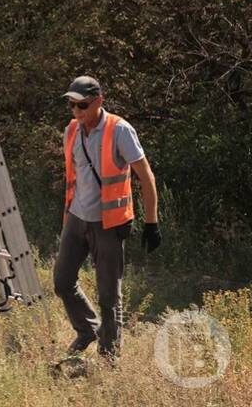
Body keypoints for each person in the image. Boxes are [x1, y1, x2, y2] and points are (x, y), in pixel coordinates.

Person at [53, 75, 161, 361]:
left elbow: (146, 177)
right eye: (72, 106)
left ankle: (109, 356)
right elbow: (73, 178)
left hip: (109, 224)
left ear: (98, 101)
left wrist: (152, 222)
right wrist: (67, 217)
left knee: (109, 295)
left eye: (83, 106)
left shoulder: (120, 130)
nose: (77, 113)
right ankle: (88, 329)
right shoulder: (72, 131)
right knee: (62, 282)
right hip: (76, 219)